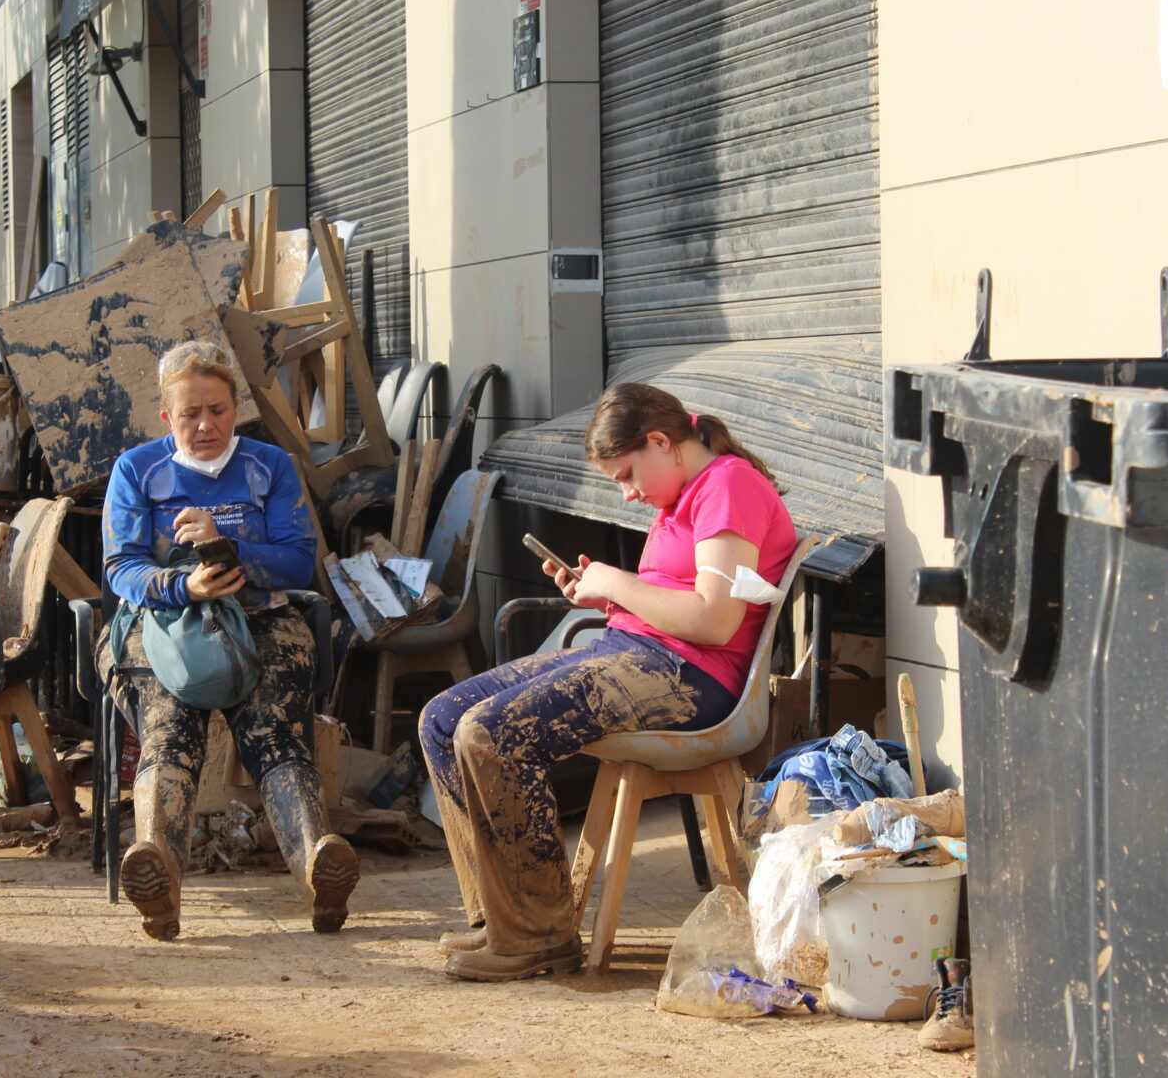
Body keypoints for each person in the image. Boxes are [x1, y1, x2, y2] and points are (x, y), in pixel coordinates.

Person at [419, 382, 798, 981]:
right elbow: (668, 600)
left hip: (692, 679)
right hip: (634, 651)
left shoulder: (728, 485)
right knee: (443, 720)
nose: (627, 494)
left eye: (626, 475)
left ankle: (539, 935)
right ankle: (500, 916)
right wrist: (597, 588)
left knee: (490, 733)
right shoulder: (680, 496)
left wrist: (615, 583)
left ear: (660, 442)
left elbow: (714, 620)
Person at [99, 340, 359, 940]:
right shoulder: (137, 470)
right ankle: (157, 871)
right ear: (167, 417)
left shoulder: (270, 466)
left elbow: (299, 563)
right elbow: (121, 568)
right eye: (189, 413)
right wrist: (181, 584)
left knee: (274, 728)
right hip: (162, 625)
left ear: (235, 407)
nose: (205, 425)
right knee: (169, 725)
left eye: (216, 410)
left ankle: (317, 863)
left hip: (261, 621)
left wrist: (231, 549)